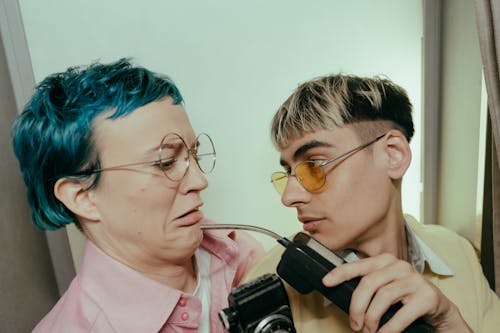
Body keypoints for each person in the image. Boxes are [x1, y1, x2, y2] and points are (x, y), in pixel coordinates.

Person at [11, 58, 264, 333]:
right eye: (165, 162)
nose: (200, 181)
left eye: (193, 153)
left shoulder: (238, 253)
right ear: (82, 196)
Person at [243, 74, 500, 332]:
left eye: (314, 165)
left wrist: (450, 322)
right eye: (288, 172)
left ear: (393, 155)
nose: (288, 197)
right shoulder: (267, 287)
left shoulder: (457, 251)